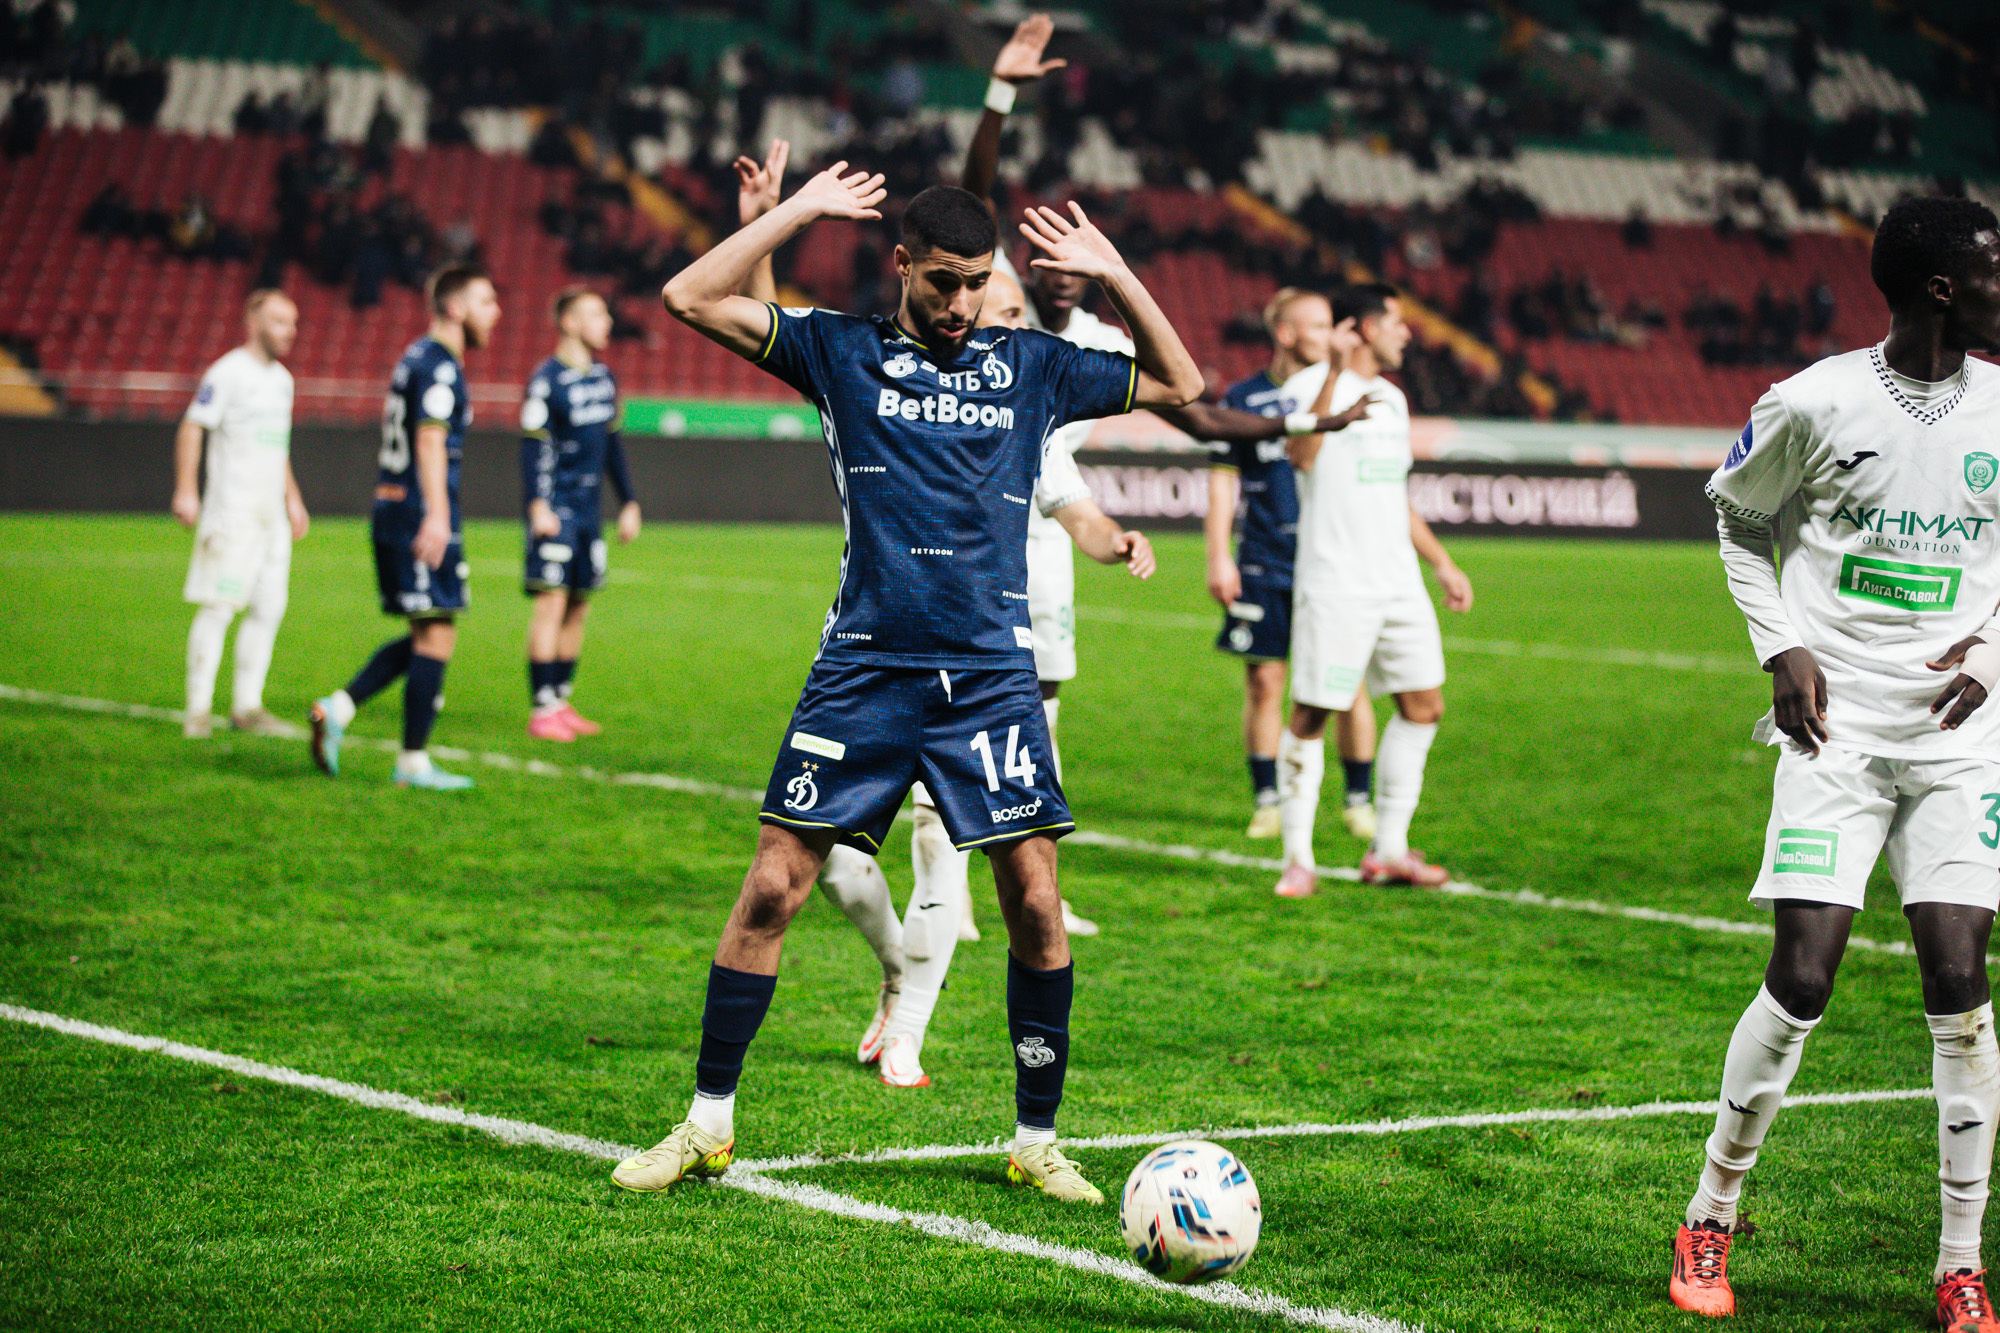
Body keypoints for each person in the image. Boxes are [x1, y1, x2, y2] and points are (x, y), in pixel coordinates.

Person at [609, 168, 1203, 1204]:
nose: (961, 302)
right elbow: (687, 297)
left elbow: (1180, 385)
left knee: (1035, 901)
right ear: (901, 265)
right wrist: (795, 213)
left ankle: (1036, 1139)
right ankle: (706, 1124)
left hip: (990, 677)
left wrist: (1115, 272)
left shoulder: (1031, 367)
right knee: (771, 887)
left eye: (976, 282)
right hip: (864, 668)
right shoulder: (840, 352)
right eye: (942, 281)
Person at [1669, 196, 2000, 1328]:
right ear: (1941, 288)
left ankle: (1960, 1264)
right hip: (1835, 731)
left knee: (1958, 982)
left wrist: (1991, 654)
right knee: (1803, 975)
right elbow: (1735, 519)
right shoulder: (1813, 401)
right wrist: (1781, 645)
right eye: (1993, 271)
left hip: (1958, 740)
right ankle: (1709, 1214)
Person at [961, 11, 1363, 913]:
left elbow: (1204, 416)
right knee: (948, 715)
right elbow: (970, 200)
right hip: (967, 525)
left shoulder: (1102, 342)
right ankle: (942, 893)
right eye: (1050, 259)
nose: (1062, 273)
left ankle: (1032, 889)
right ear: (1026, 265)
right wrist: (999, 97)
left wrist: (1313, 422)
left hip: (1050, 528)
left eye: (1081, 263)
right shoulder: (998, 306)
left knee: (1042, 711)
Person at [1275, 283, 1474, 898]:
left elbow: (1394, 493)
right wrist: (1336, 373)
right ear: (1362, 327)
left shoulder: (1393, 399)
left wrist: (1441, 562)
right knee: (1313, 711)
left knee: (1424, 706)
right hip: (1337, 583)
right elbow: (1301, 455)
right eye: (1394, 321)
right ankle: (1298, 859)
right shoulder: (1307, 387)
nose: (1406, 333)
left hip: (1398, 583)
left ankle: (1388, 850)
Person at [308, 265, 501, 789]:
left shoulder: (414, 357)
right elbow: (429, 440)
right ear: (455, 308)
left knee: (430, 630)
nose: (497, 312)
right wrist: (438, 513)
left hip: (394, 506)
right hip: (418, 510)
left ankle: (341, 708)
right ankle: (411, 761)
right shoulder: (439, 366)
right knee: (437, 632)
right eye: (486, 301)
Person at [1204, 287, 1377, 840]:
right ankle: (1268, 802)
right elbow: (1223, 483)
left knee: (1347, 682)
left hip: (1331, 560)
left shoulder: (1348, 395)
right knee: (1264, 682)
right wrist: (1219, 556)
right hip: (1263, 559)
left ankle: (1358, 801)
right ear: (1286, 334)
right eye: (1319, 325)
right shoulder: (1244, 397)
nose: (1330, 335)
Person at [172, 290, 309, 739]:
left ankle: (247, 706)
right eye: (279, 321)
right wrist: (187, 489)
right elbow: (193, 426)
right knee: (220, 606)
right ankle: (197, 711)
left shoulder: (283, 380)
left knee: (268, 608)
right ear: (254, 323)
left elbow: (278, 445)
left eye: (293, 322)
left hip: (271, 519)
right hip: (233, 515)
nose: (290, 331)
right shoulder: (227, 372)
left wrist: (292, 498)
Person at [521, 287, 641, 740]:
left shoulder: (605, 378)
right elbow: (532, 448)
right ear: (569, 323)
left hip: (590, 514)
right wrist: (537, 506)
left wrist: (628, 501)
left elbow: (612, 445)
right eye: (596, 314)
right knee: (551, 605)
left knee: (579, 607)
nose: (606, 322)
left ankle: (560, 699)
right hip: (556, 510)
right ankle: (541, 709)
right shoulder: (546, 380)